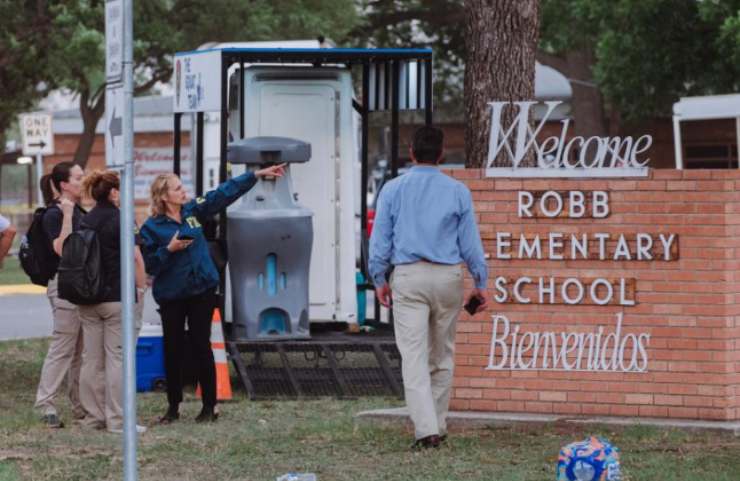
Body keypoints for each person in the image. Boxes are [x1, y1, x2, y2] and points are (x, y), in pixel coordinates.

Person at [368, 126, 489, 449]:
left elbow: (379, 241)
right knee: (442, 354)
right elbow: (471, 244)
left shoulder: (393, 190)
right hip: (448, 276)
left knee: (414, 356)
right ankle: (438, 421)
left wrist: (378, 279)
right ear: (441, 155)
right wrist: (480, 282)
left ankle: (426, 429)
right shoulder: (458, 191)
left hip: (409, 275)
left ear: (411, 153)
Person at [140, 164, 286, 424]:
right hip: (172, 295)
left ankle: (210, 406)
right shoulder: (151, 227)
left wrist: (255, 176)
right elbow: (150, 265)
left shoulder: (193, 210)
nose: (182, 190)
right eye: (177, 188)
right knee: (172, 350)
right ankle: (173, 407)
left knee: (201, 346)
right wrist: (169, 249)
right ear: (163, 196)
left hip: (201, 290)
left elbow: (222, 193)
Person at [75, 170, 148, 434]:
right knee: (117, 359)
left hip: (87, 298)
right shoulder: (122, 219)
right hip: (117, 297)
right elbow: (136, 258)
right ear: (114, 192)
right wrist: (142, 287)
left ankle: (93, 417)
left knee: (91, 360)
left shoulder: (85, 220)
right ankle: (117, 420)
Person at [34, 161, 86, 428]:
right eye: (78, 178)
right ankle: (46, 403)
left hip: (81, 285)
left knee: (80, 348)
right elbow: (61, 249)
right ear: (64, 184)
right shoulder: (55, 214)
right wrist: (67, 215)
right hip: (64, 285)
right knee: (63, 345)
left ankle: (80, 404)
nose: (83, 180)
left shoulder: (79, 209)